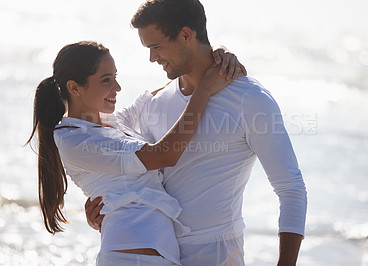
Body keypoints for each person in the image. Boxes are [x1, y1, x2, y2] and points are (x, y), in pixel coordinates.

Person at [86, 0, 308, 265]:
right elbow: (133, 171)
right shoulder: (154, 103)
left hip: (215, 254)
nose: (152, 58)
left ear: (186, 35)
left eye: (156, 46)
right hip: (155, 251)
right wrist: (106, 207)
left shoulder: (249, 99)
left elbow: (291, 188)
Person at [26, 41, 243, 266]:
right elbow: (165, 155)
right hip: (130, 257)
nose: (117, 87)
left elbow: (170, 92)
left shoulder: (115, 122)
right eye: (106, 80)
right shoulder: (74, 140)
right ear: (74, 88)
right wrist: (206, 89)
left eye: (115, 77)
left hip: (154, 254)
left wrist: (216, 58)